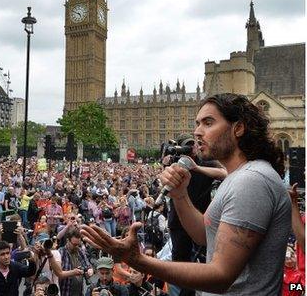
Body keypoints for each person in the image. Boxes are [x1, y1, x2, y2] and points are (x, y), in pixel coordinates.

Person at [81, 93, 292, 295]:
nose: (198, 132)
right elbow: (203, 235)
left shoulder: (251, 181)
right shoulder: (237, 177)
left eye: (208, 123)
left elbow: (221, 276)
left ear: (238, 128)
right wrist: (180, 195)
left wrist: (138, 260)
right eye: (197, 124)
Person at [165, 133, 227, 296]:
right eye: (186, 146)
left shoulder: (206, 162)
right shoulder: (175, 165)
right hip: (178, 221)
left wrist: (196, 168)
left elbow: (225, 173)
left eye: (191, 145)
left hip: (202, 220)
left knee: (207, 260)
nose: (191, 149)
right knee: (180, 263)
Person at [47, 229, 93, 296]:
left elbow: (88, 265)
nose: (77, 247)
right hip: (65, 291)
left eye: (78, 244)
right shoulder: (60, 253)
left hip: (78, 292)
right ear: (68, 240)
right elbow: (57, 274)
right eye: (74, 244)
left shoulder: (80, 251)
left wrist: (90, 271)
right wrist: (73, 272)